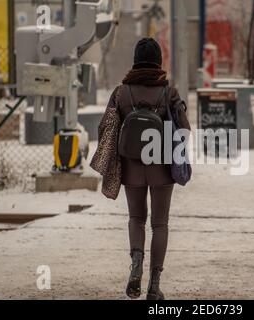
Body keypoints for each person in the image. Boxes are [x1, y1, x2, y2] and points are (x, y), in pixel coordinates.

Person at [90, 38, 191, 300]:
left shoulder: (121, 93)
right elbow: (184, 130)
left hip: (132, 169)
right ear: (158, 61)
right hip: (162, 169)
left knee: (136, 218)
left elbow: (106, 130)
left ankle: (136, 265)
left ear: (135, 59)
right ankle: (154, 285)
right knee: (160, 224)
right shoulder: (169, 93)